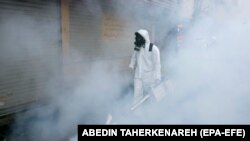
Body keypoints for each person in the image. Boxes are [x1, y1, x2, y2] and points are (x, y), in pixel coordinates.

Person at [129, 29, 161, 105]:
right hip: (138, 75)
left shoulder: (153, 48)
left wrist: (157, 76)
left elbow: (157, 63)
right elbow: (134, 57)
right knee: (137, 95)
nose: (137, 39)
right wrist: (132, 65)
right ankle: (137, 112)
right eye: (137, 37)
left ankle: (152, 110)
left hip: (149, 76)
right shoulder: (137, 48)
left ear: (144, 37)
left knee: (151, 94)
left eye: (139, 37)